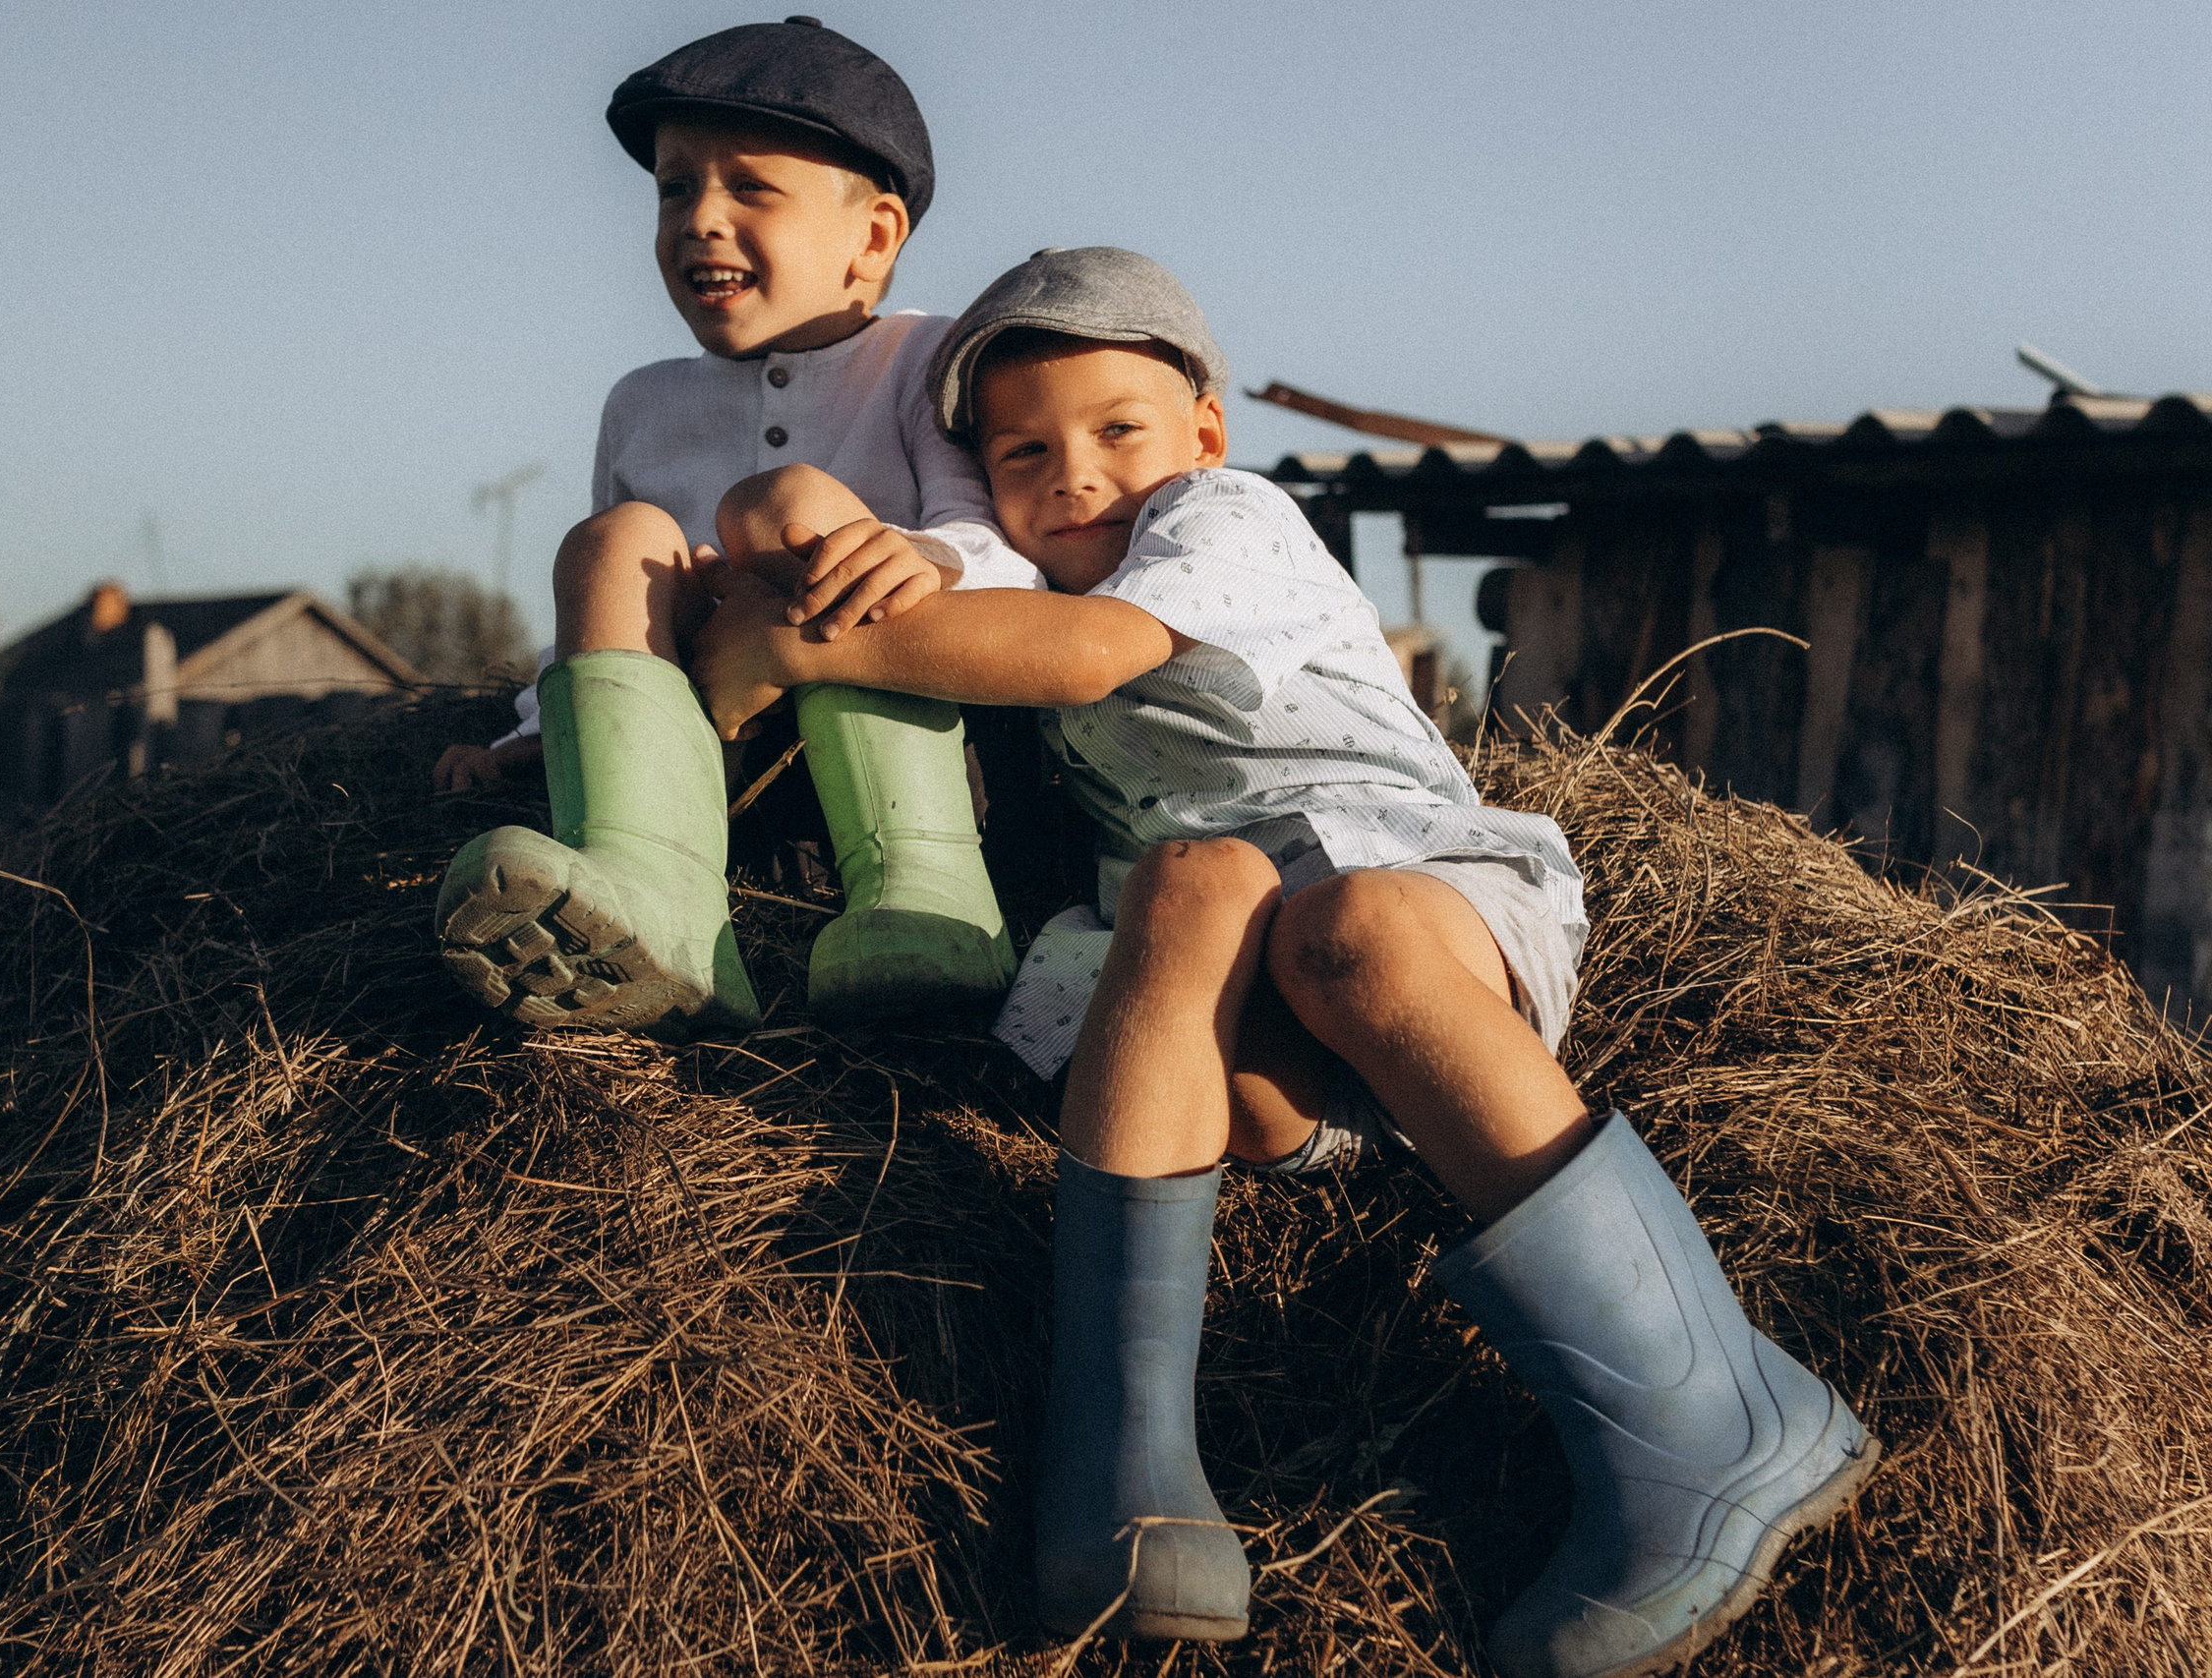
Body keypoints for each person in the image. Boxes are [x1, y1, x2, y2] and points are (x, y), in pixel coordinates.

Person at [690, 247, 1881, 1674]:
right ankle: (1125, 1473)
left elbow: (1085, 656)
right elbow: (902, 593)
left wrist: (803, 649)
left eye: (1117, 430)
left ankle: (1714, 1417)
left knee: (1340, 930)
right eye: (1023, 454)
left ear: (1202, 431)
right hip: (1268, 1042)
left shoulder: (1224, 518)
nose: (1076, 475)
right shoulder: (1009, 587)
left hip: (1421, 917)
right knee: (1191, 883)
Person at [433, 17, 1041, 1037]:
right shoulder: (642, 401)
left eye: (749, 188)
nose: (700, 219)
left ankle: (926, 896)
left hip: (888, 759)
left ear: (873, 239)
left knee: (787, 504)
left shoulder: (923, 359)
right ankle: (653, 890)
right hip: (706, 768)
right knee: (612, 541)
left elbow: (994, 549)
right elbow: (607, 616)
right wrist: (529, 736)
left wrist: (918, 555)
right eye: (675, 189)